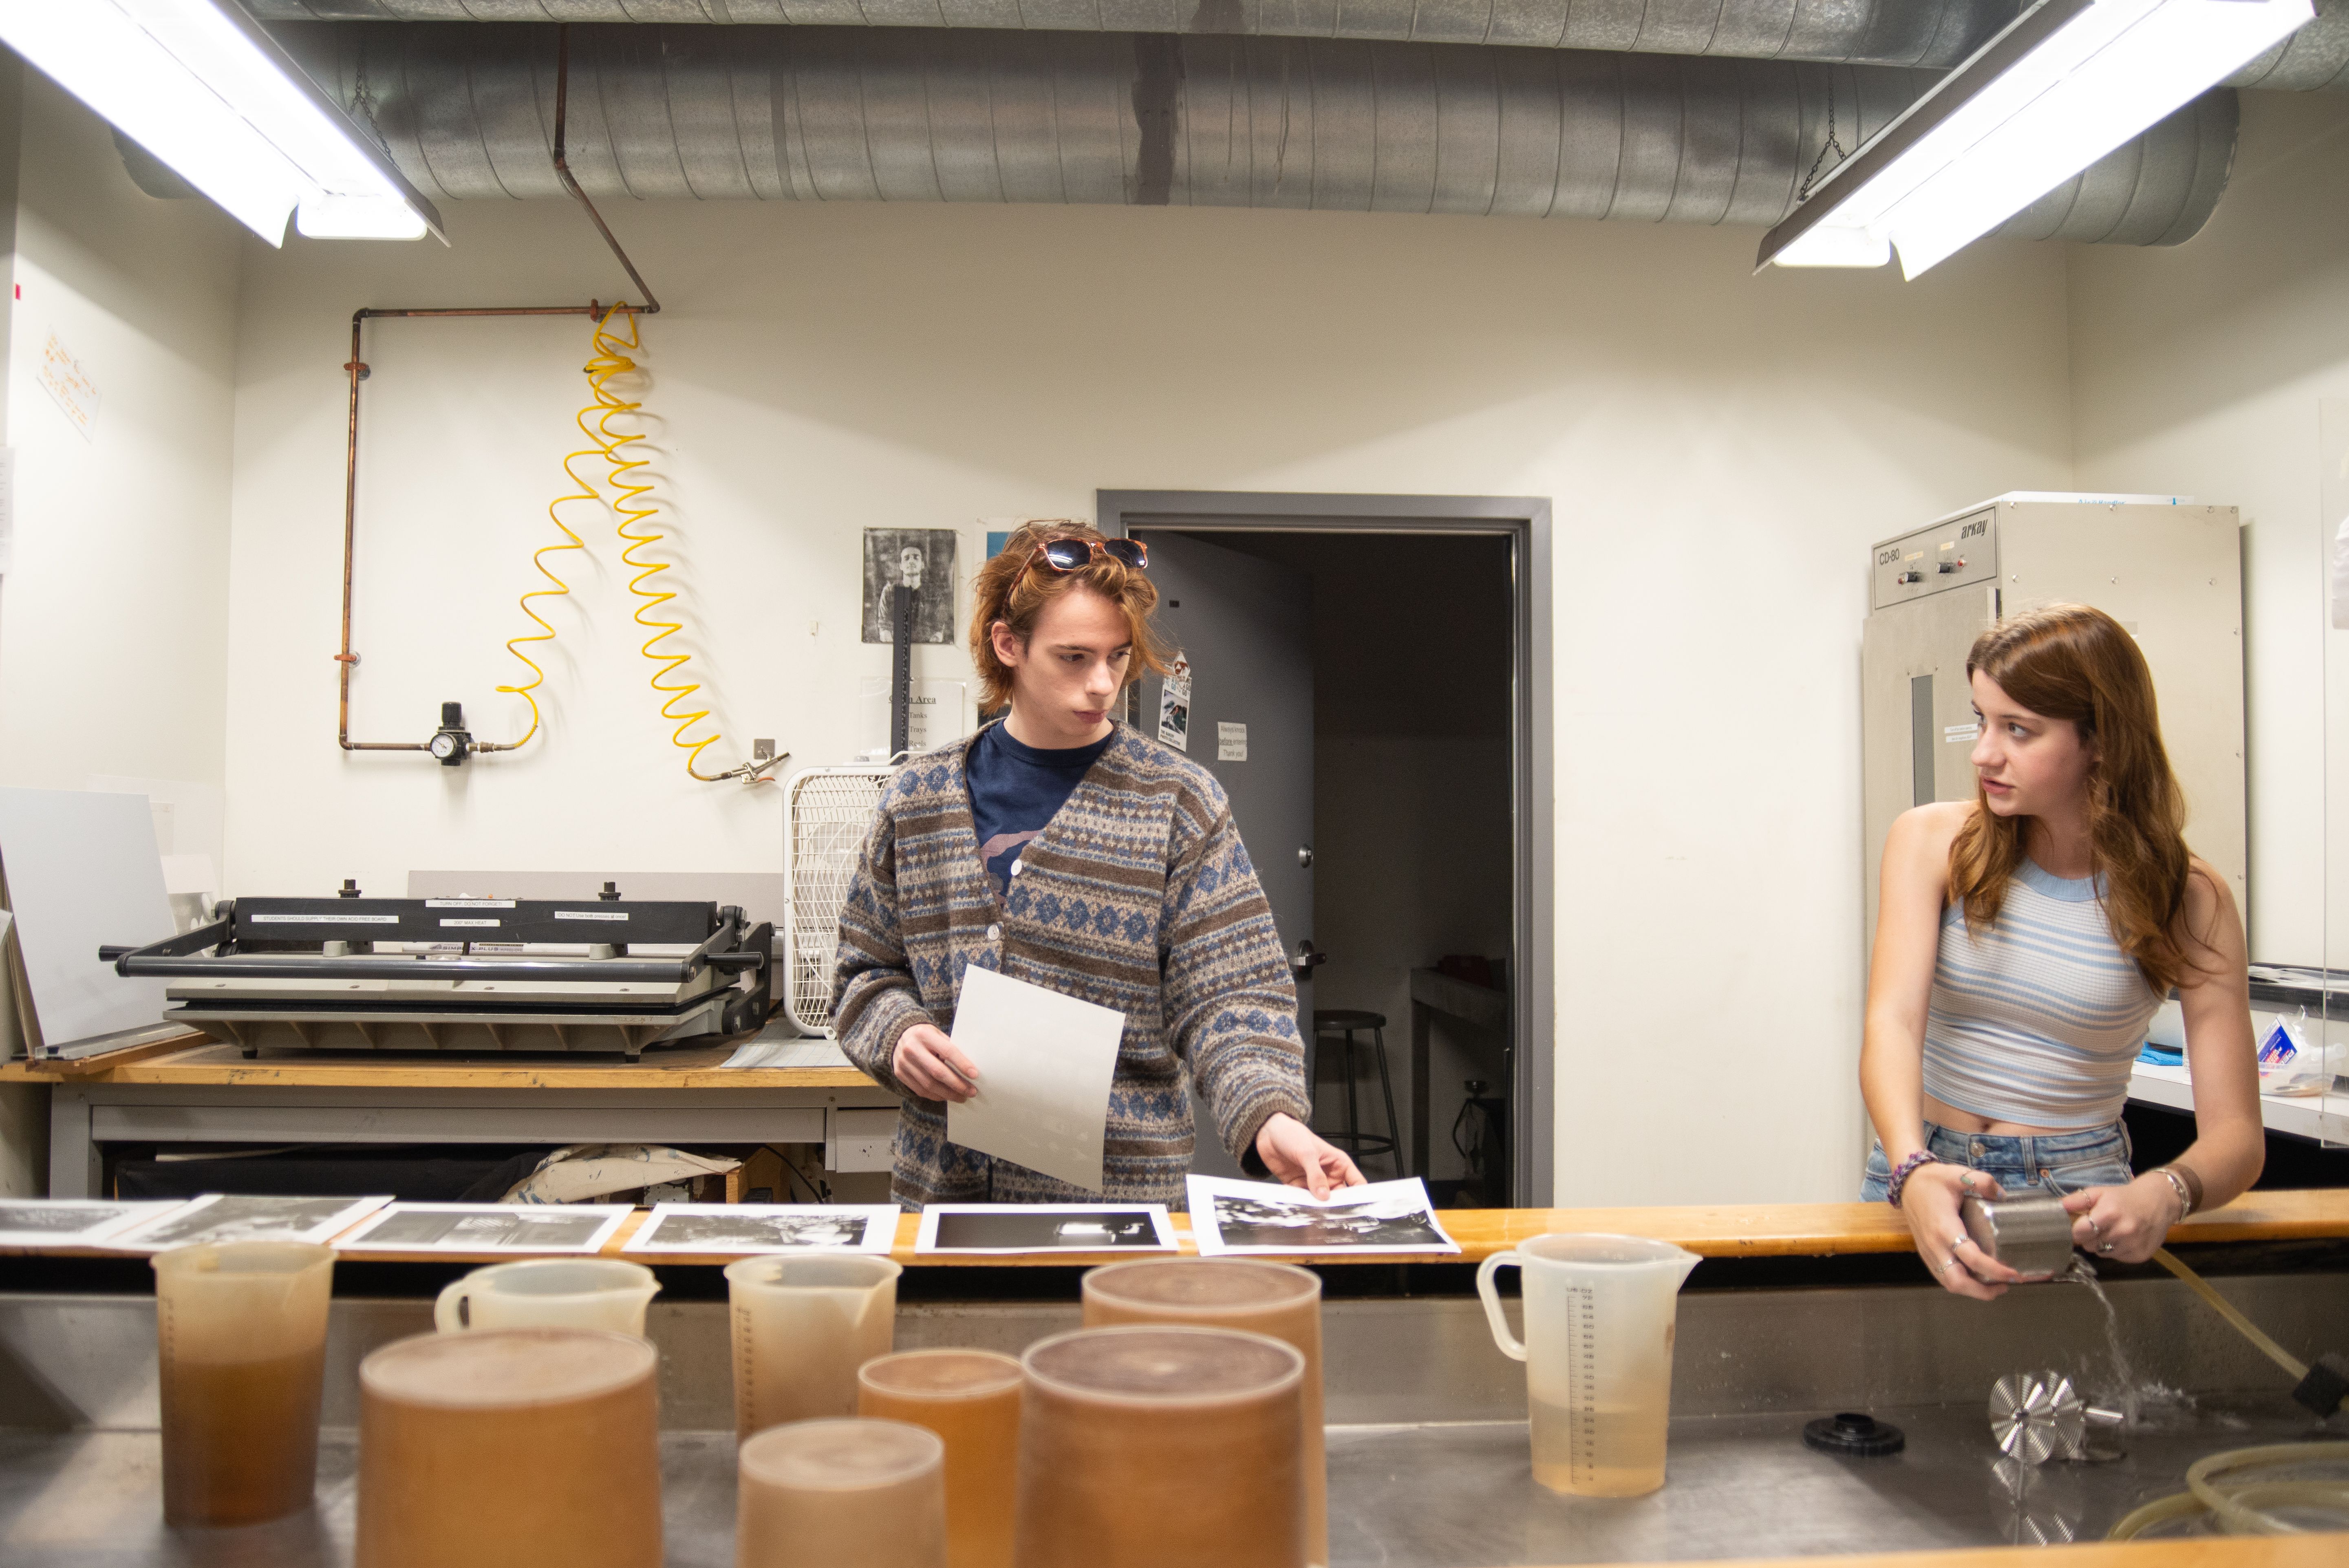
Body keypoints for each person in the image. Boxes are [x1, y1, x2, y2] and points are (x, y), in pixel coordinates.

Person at [832, 520, 1365, 1209]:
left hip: (1122, 1212)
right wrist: (898, 1033)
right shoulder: (919, 799)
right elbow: (863, 973)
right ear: (1008, 645)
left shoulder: (1176, 802)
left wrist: (1272, 1118)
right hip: (945, 1204)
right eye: (1074, 658)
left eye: (1117, 657)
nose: (1103, 684)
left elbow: (1231, 997)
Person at [1860, 604, 2262, 1299]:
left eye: (2018, 730)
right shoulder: (1931, 842)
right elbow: (1892, 1022)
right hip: (1923, 1168)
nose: (1985, 752)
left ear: (2101, 742)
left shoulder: (2190, 898)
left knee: (2061, 1399)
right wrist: (1912, 1169)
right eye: (1983, 720)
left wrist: (2168, 1191)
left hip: (2073, 1189)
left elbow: (2238, 1139)